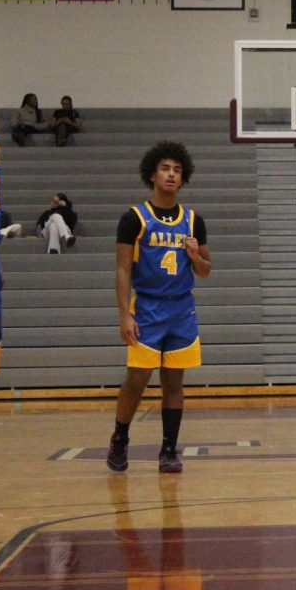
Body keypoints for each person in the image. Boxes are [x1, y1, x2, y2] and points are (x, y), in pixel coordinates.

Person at [106, 141, 212, 475]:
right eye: (165, 168)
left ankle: (168, 450)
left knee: (174, 383)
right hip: (147, 307)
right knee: (137, 379)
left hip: (181, 309)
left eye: (177, 170)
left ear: (183, 179)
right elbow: (123, 270)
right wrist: (125, 314)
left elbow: (206, 270)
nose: (171, 174)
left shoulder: (194, 220)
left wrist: (196, 257)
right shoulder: (134, 218)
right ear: (152, 175)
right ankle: (120, 437)